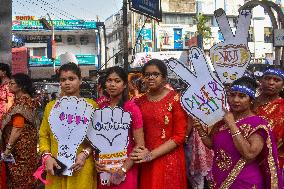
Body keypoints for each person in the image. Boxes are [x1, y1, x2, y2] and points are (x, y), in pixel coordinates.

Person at [194, 76, 282, 188]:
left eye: (242, 96)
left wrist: (232, 125)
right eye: (232, 95)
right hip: (219, 177)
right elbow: (212, 145)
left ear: (251, 100)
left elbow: (249, 154)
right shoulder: (224, 120)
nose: (235, 100)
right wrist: (201, 131)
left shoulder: (257, 124)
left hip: (244, 181)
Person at [130, 59, 188, 189]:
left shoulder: (175, 99)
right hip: (145, 159)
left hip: (169, 159)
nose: (150, 77)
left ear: (164, 78)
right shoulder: (139, 102)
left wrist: (151, 155)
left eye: (155, 74)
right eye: (147, 74)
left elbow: (179, 136)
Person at [39, 63, 98, 189]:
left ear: (80, 80)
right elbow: (43, 135)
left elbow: (97, 137)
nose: (67, 83)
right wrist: (47, 156)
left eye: (71, 78)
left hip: (81, 166)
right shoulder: (51, 107)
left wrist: (84, 154)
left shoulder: (91, 106)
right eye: (63, 79)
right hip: (56, 166)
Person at [95, 66, 144, 189]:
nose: (112, 84)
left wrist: (122, 169)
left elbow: (140, 145)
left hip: (126, 167)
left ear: (124, 85)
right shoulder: (99, 107)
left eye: (117, 81)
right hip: (103, 168)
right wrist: (94, 162)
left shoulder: (132, 109)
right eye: (109, 80)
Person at [1, 73, 38, 189]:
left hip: (20, 152)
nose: (9, 86)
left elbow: (17, 128)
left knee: (20, 180)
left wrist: (7, 150)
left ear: (21, 86)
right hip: (27, 149)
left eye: (12, 83)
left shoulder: (22, 104)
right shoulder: (27, 101)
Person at [253, 65, 284, 169]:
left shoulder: (282, 106)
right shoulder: (247, 103)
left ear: (282, 85)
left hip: (271, 163)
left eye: (276, 80)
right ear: (261, 81)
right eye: (267, 78)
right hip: (242, 157)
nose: (271, 83)